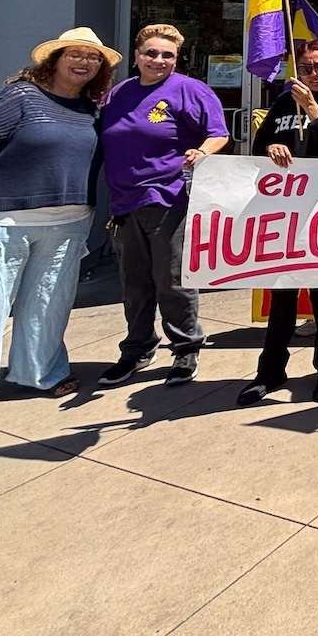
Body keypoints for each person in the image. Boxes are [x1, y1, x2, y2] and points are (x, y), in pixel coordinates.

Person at [0, 28, 118, 426]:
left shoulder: (91, 110)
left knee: (49, 305)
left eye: (94, 58)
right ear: (54, 58)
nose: (85, 62)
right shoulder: (18, 96)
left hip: (67, 222)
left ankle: (40, 374)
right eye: (77, 54)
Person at [97, 24, 228, 388]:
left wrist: (201, 152)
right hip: (124, 202)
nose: (158, 60)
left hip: (170, 199)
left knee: (172, 280)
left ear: (177, 59)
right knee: (134, 284)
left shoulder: (190, 90)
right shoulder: (117, 94)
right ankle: (137, 349)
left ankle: (185, 347)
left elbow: (219, 133)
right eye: (151, 53)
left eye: (167, 55)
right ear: (137, 54)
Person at [238, 39, 318, 405]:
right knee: (282, 296)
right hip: (285, 214)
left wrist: (312, 107)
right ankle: (270, 371)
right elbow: (259, 145)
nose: (314, 73)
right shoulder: (282, 102)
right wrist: (270, 149)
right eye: (307, 67)